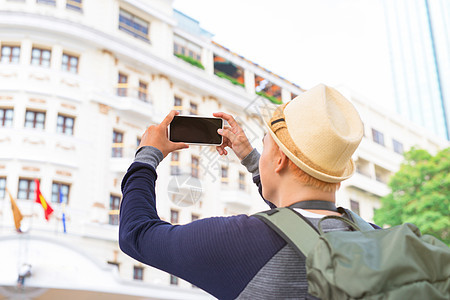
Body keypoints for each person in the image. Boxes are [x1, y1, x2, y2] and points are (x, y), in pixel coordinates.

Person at [119, 84, 368, 299]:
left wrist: (147, 155)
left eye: (265, 145)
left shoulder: (238, 240)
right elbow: (298, 222)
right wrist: (251, 158)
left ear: (279, 160)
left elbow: (136, 234)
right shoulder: (374, 238)